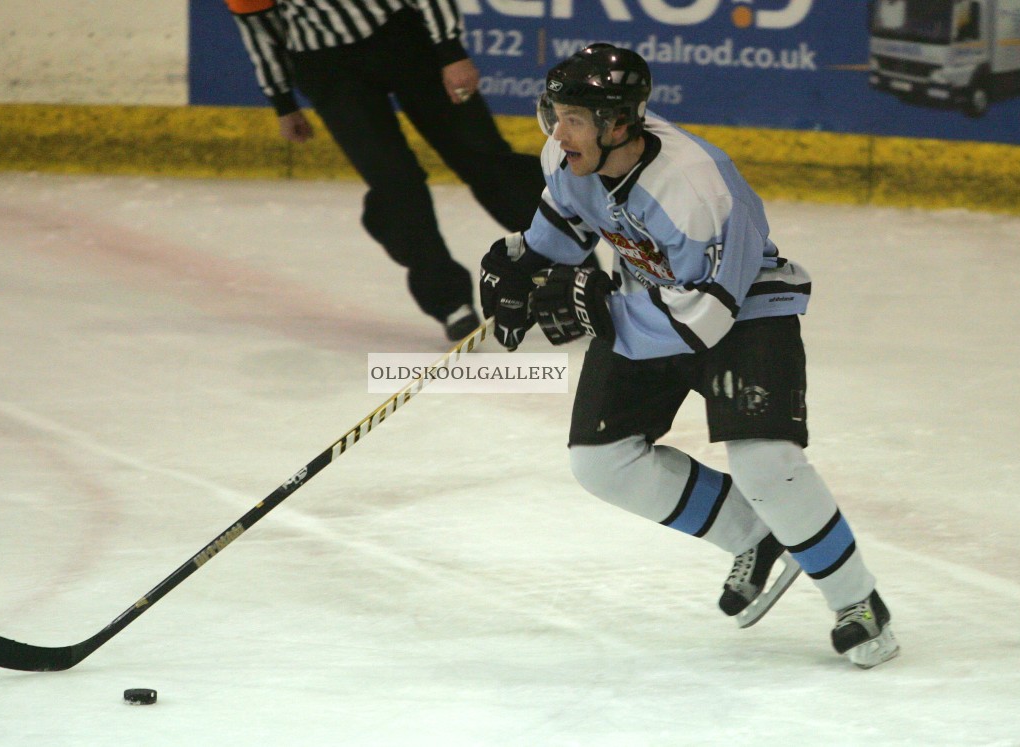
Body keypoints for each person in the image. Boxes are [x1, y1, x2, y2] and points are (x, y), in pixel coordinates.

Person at [479, 43, 900, 668]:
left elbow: (706, 317)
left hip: (744, 314)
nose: (557, 131)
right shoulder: (568, 155)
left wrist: (598, 308)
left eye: (574, 117)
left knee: (765, 462)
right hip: (649, 306)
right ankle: (752, 537)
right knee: (601, 463)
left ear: (618, 124)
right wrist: (526, 264)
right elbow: (567, 218)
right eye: (556, 114)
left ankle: (858, 603)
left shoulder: (695, 188)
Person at [224, 0, 546, 340]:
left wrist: (450, 51)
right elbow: (261, 28)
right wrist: (282, 102)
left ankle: (562, 259)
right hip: (327, 66)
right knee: (395, 186)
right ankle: (448, 300)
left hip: (402, 37)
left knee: (483, 157)